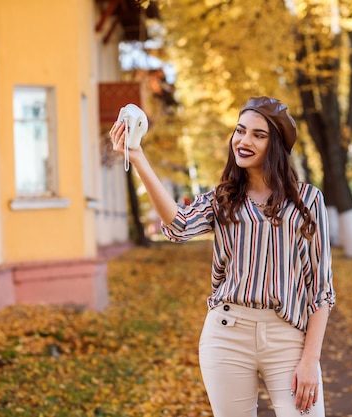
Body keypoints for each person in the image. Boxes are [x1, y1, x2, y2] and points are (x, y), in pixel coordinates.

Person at [110, 96, 334, 417]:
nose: (244, 141)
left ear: (277, 146)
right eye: (240, 131)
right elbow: (178, 227)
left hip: (287, 338)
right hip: (227, 334)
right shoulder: (223, 198)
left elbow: (321, 289)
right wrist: (139, 159)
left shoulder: (308, 201)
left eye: (259, 135)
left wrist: (310, 360)